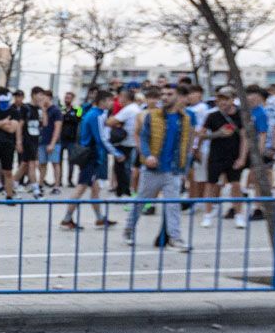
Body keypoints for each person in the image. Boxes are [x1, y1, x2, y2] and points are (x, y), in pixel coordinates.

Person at [124, 87, 194, 251]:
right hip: (152, 169)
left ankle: (175, 238)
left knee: (173, 205)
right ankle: (128, 230)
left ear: (177, 96)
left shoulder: (185, 119)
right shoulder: (152, 116)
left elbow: (186, 143)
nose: (165, 97)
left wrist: (184, 169)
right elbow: (144, 137)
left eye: (169, 94)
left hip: (173, 170)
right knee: (141, 201)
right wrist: (147, 156)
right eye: (163, 94)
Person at [61, 88, 121, 229]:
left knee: (95, 189)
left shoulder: (94, 113)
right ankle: (66, 219)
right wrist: (116, 153)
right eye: (110, 100)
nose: (112, 103)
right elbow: (101, 139)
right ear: (102, 101)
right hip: (91, 156)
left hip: (90, 155)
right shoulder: (96, 115)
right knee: (81, 187)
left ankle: (100, 218)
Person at [199, 87, 249, 229]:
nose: (223, 102)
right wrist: (217, 134)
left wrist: (242, 158)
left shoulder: (242, 116)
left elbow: (245, 138)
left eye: (226, 99)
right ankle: (207, 215)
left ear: (233, 99)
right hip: (215, 155)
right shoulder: (212, 116)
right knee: (211, 184)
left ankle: (239, 215)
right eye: (220, 99)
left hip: (233, 156)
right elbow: (201, 135)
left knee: (236, 185)